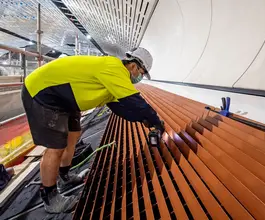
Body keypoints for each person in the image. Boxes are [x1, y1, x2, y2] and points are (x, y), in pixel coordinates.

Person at [21, 47, 164, 213]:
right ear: (133, 65)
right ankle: (50, 197)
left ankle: (64, 177)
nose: (139, 77)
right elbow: (134, 100)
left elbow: (120, 108)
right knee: (56, 147)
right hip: (43, 92)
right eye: (141, 72)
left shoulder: (114, 77)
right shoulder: (114, 68)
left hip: (64, 97)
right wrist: (156, 121)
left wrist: (144, 119)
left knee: (73, 135)